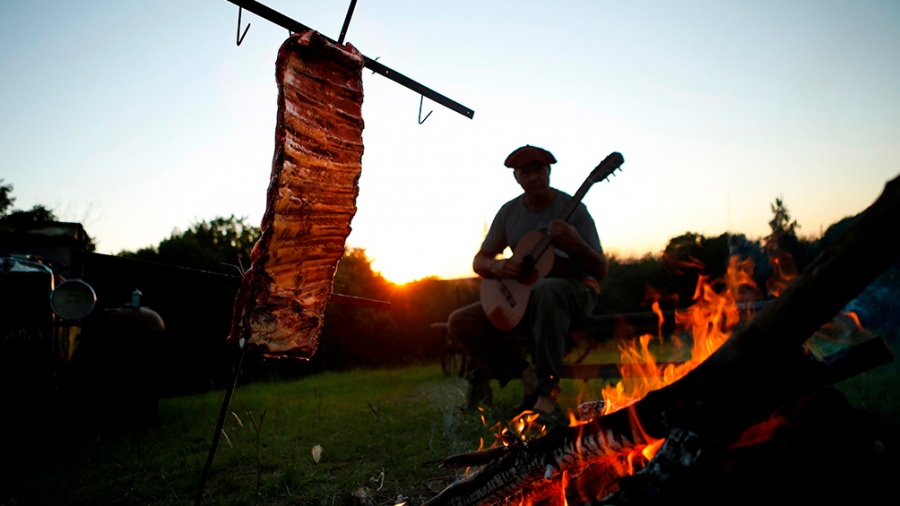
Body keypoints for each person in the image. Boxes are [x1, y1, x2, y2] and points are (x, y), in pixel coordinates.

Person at [448, 145, 608, 424]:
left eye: (539, 170)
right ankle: (523, 371)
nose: (534, 177)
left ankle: (545, 396)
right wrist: (499, 266)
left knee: (547, 289)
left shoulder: (574, 210)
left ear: (549, 172)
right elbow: (480, 261)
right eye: (526, 172)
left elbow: (601, 269)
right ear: (516, 177)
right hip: (526, 300)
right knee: (460, 321)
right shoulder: (509, 212)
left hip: (576, 291)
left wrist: (576, 243)